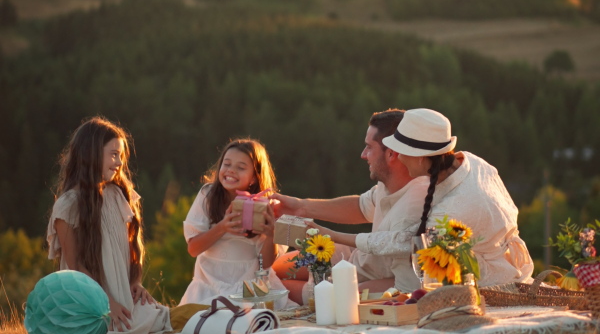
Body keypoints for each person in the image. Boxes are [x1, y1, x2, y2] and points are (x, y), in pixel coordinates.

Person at [324, 108, 534, 286]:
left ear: (421, 158)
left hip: (492, 283)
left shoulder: (456, 207)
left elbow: (402, 242)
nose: (398, 157)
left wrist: (330, 234)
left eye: (401, 151)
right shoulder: (471, 162)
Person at [273, 109, 428, 301]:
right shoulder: (389, 183)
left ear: (391, 154)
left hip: (367, 278)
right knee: (276, 270)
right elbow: (360, 207)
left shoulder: (414, 205)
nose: (363, 155)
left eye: (369, 147)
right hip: (355, 258)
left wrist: (345, 291)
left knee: (280, 288)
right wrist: (300, 207)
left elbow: (405, 285)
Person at [47, 117, 172, 334]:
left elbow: (134, 246)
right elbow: (75, 268)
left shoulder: (118, 195)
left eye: (121, 156)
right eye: (114, 154)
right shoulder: (67, 206)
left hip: (122, 297)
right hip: (92, 301)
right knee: (122, 331)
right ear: (90, 154)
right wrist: (107, 305)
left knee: (165, 319)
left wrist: (136, 282)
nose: (120, 162)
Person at [180, 139, 292, 308]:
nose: (231, 171)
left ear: (254, 177)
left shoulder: (265, 205)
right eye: (227, 164)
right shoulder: (207, 195)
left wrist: (271, 235)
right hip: (209, 285)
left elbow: (266, 263)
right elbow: (193, 249)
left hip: (248, 285)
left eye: (240, 167)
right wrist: (222, 227)